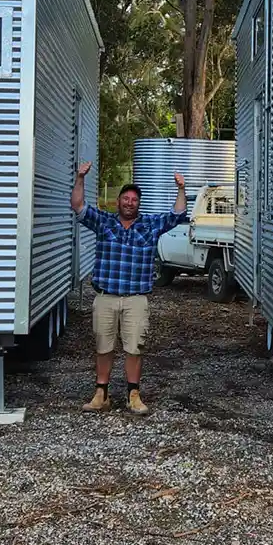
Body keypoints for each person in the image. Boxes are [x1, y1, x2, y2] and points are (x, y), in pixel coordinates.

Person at [70, 162, 188, 415]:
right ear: (117, 202)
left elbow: (177, 214)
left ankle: (133, 394)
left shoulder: (150, 225)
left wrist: (181, 188)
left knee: (134, 347)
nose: (130, 202)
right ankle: (101, 393)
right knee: (104, 345)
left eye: (134, 199)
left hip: (136, 299)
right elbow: (78, 206)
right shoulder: (104, 222)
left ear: (138, 204)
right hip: (106, 297)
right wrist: (80, 177)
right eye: (126, 198)